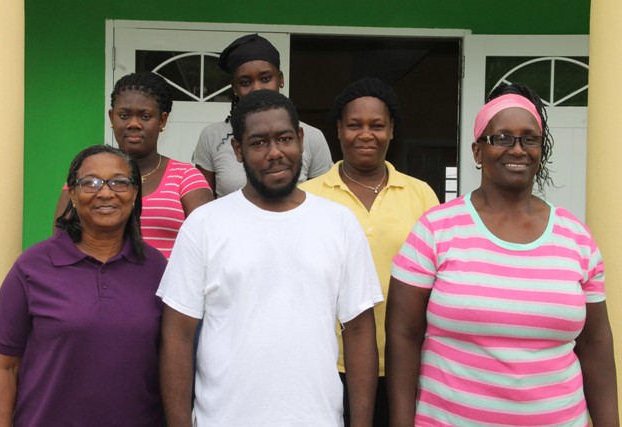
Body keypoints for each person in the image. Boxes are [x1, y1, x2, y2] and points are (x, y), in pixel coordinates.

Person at [386, 83, 619, 426]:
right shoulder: (436, 229)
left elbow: (596, 344)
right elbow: (403, 336)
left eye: (529, 138)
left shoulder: (576, 239)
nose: (518, 149)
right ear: (478, 151)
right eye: (502, 138)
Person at [158, 90, 383, 426]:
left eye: (284, 139)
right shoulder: (204, 225)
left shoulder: (339, 223)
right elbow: (177, 336)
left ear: (301, 140)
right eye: (259, 142)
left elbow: (360, 331)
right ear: (238, 150)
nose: (275, 153)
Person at [0, 145, 167, 426]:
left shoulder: (157, 268)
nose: (105, 192)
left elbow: (174, 361)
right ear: (71, 193)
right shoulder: (31, 267)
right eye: (90, 182)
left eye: (119, 182)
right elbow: (4, 368)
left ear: (134, 194)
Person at [300, 77, 439, 426]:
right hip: (327, 363)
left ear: (391, 130)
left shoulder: (421, 195)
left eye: (377, 125)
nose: (366, 134)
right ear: (338, 130)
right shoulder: (307, 196)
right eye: (354, 125)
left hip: (406, 363)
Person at [54, 72, 213, 258]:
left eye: (145, 116)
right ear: (111, 117)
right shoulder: (86, 175)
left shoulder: (185, 177)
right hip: (98, 284)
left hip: (168, 285)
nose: (133, 124)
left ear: (162, 120)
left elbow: (208, 243)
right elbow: (60, 243)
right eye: (124, 115)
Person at [192, 33, 333, 198]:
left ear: (280, 79)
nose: (257, 89)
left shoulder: (312, 137)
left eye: (266, 78)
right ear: (234, 88)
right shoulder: (212, 136)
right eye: (245, 82)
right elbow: (203, 203)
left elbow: (322, 201)